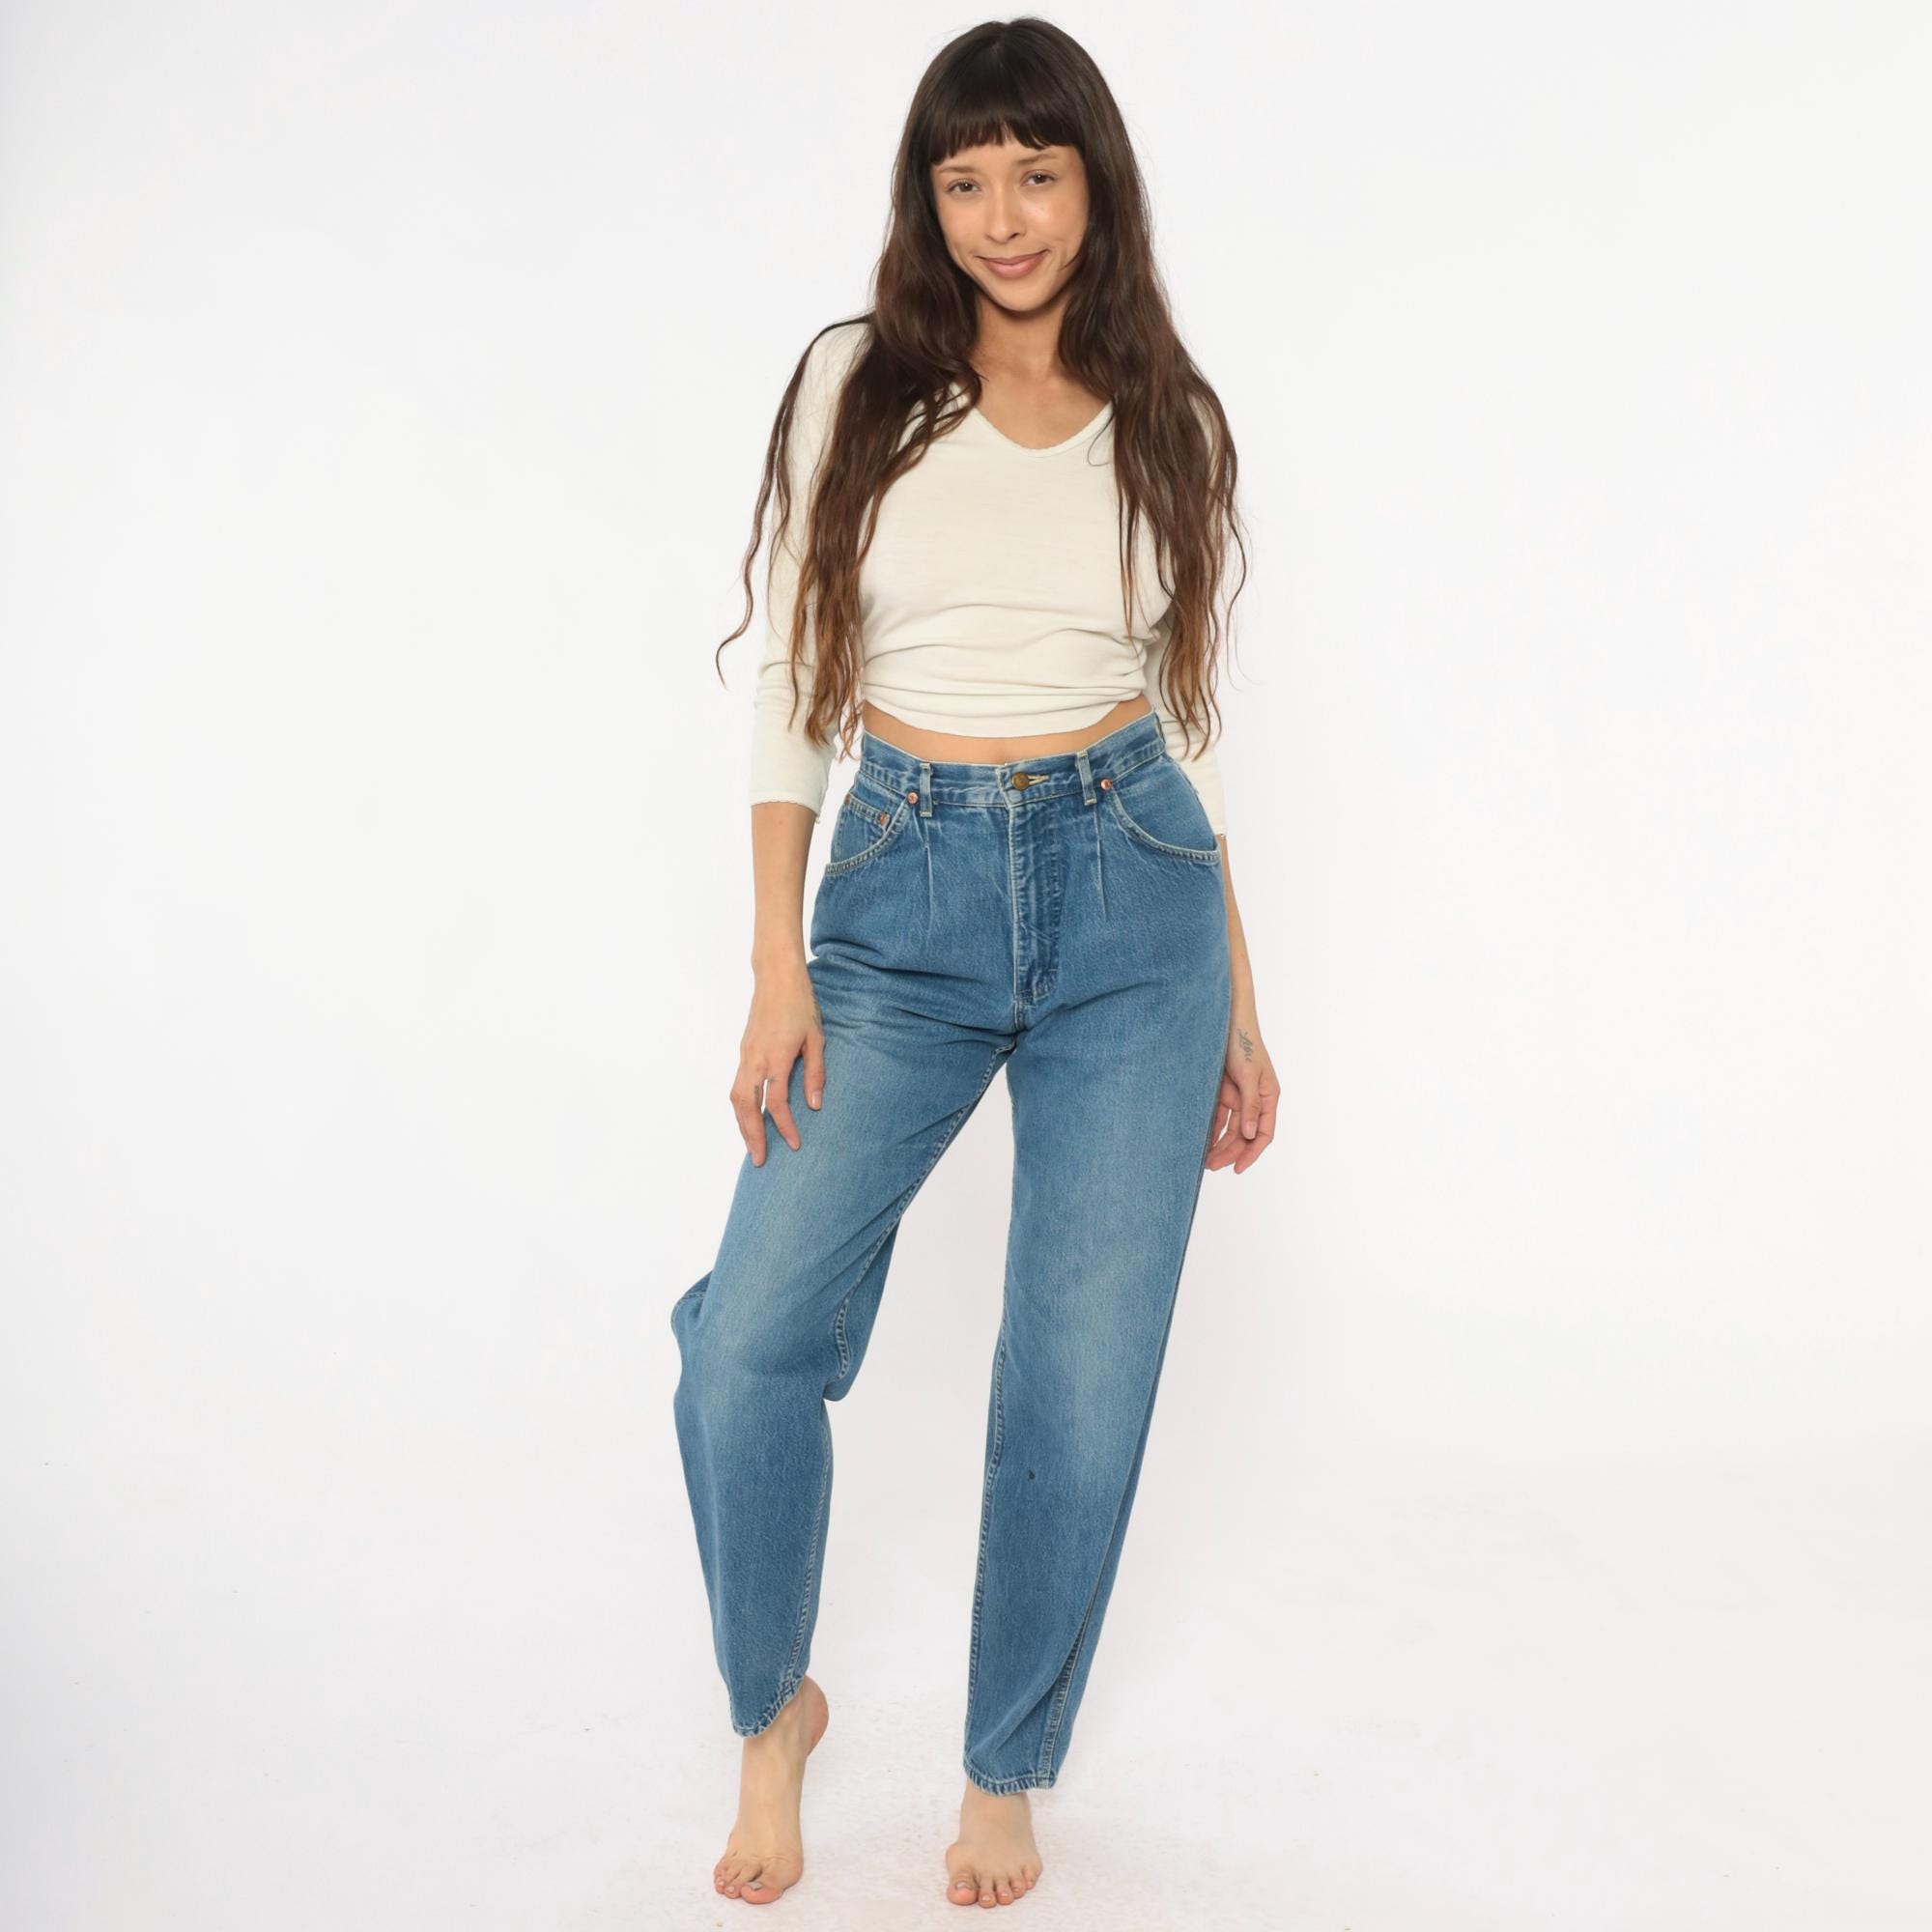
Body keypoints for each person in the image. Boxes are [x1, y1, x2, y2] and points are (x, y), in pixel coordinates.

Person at [670, 17, 1280, 1911]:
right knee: (746, 1343)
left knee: (1080, 1375)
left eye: (1035, 173)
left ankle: (1007, 1767)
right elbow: (796, 677)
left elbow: (1189, 718)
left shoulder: (1167, 417)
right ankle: (774, 1709)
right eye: (964, 180)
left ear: (1096, 184)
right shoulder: (857, 384)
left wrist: (1241, 1002)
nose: (1002, 217)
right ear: (924, 200)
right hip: (900, 899)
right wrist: (777, 962)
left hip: (1136, 902)